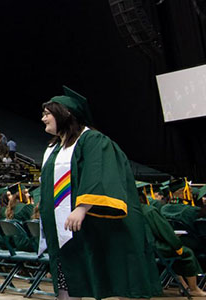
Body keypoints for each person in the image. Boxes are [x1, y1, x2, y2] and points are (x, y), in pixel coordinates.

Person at [37, 86, 159, 299]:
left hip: (97, 225)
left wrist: (82, 208)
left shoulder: (93, 140)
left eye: (47, 113)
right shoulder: (54, 149)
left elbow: (98, 173)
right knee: (69, 276)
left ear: (65, 114)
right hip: (69, 230)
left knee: (111, 276)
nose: (43, 118)